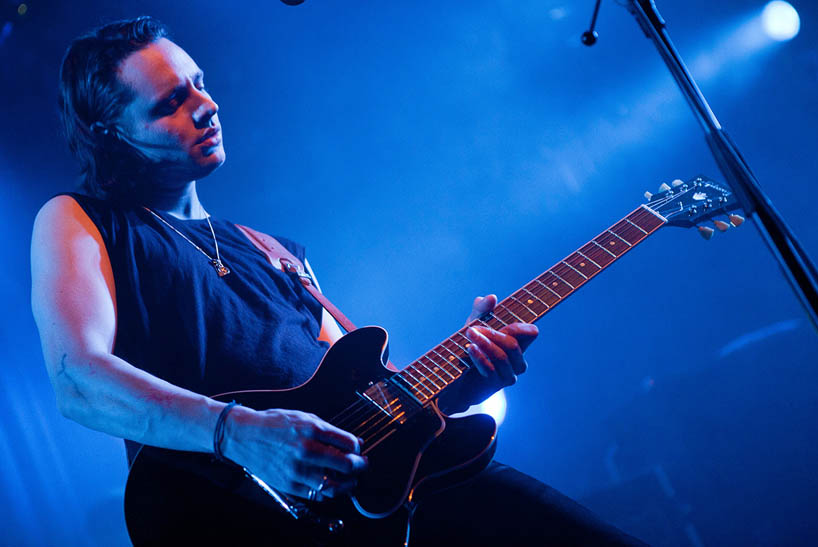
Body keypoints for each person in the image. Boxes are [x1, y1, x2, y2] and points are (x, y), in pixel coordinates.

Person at [31, 16, 642, 546]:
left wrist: (464, 377)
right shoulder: (83, 221)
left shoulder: (275, 253)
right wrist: (238, 433)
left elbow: (372, 405)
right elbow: (77, 381)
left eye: (199, 83)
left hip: (399, 499)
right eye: (169, 103)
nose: (205, 105)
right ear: (110, 132)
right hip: (226, 516)